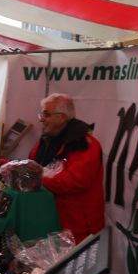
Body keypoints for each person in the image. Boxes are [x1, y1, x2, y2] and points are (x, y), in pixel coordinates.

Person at [29, 93, 105, 243]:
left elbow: (74, 181)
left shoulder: (85, 145)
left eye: (46, 114)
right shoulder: (47, 140)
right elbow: (32, 165)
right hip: (53, 223)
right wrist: (9, 166)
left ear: (62, 117)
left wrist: (36, 179)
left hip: (79, 230)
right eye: (41, 114)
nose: (41, 119)